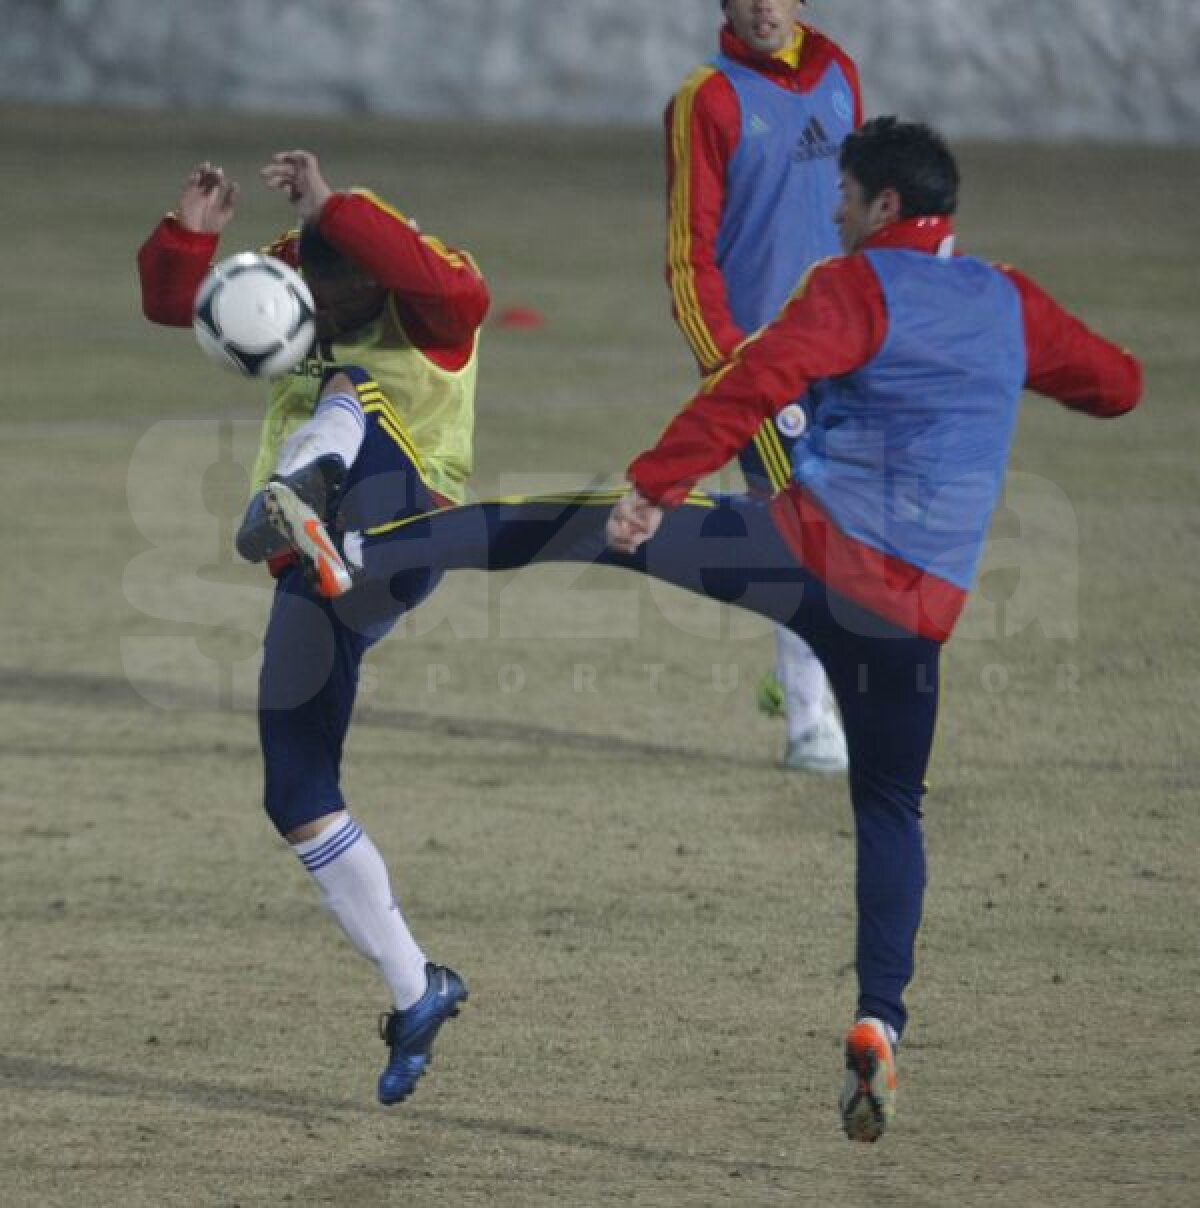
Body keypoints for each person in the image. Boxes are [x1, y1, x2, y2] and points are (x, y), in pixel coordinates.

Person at [265, 117, 1141, 1142]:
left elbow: (753, 382)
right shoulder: (1008, 300)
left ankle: (359, 551)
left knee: (573, 523)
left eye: (846, 195)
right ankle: (879, 1017)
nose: (835, 211)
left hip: (806, 556)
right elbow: (1117, 387)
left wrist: (655, 486)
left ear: (886, 206)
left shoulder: (856, 286)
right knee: (890, 806)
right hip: (918, 613)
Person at [137, 150, 490, 1105]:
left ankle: (300, 489)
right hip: (318, 568)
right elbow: (185, 306)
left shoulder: (431, 297)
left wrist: (336, 205)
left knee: (351, 389)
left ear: (375, 280)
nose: (320, 320)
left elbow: (458, 291)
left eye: (339, 305)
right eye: (312, 306)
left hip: (406, 524)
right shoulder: (295, 280)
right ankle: (416, 989)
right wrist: (191, 237)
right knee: (295, 789)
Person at [665, 0, 862, 771]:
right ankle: (811, 721)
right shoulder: (706, 99)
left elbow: (865, 217)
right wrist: (727, 366)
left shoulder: (839, 74)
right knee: (798, 529)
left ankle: (827, 685)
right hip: (762, 364)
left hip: (846, 350)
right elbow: (687, 250)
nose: (762, 6)